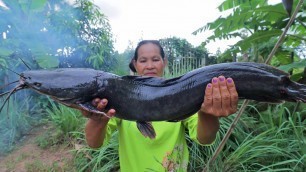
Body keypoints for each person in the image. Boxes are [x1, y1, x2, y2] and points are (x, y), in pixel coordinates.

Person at [82, 40, 238, 171]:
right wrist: (97, 120)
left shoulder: (180, 94)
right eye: (143, 60)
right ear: (135, 64)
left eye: (155, 59)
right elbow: (94, 143)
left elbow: (204, 138)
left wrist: (208, 113)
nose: (150, 65)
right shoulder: (119, 97)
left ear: (165, 62)